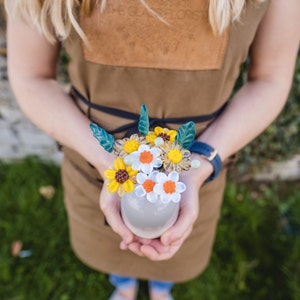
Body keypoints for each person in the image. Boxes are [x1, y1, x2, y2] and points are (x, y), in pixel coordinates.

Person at [5, 0, 299, 299]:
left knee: (174, 244)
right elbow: (32, 77)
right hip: (94, 169)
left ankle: (161, 288)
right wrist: (111, 165)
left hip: (195, 173)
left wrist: (199, 165)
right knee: (114, 244)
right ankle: (123, 285)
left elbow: (270, 79)